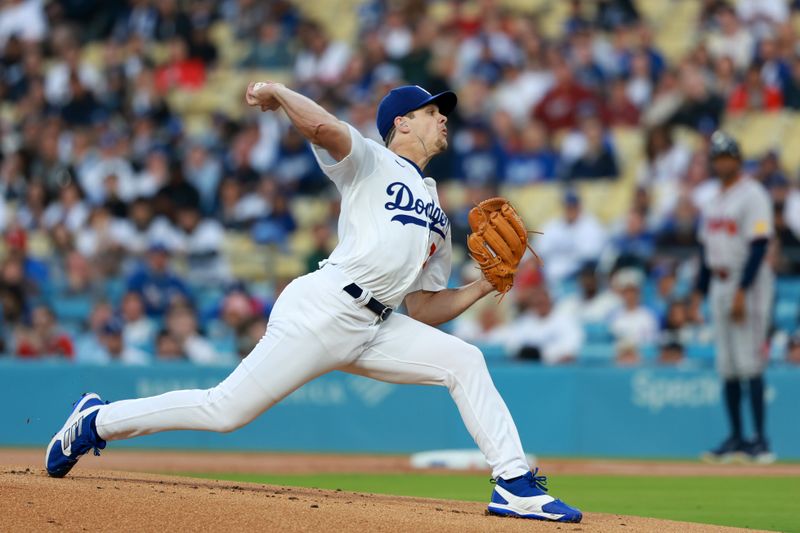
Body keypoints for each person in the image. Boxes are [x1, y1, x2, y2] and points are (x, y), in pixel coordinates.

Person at [45, 83, 582, 523]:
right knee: (225, 410)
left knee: (465, 360)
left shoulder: (437, 208)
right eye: (431, 110)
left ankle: (513, 483)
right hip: (325, 307)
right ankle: (97, 421)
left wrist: (484, 287)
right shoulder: (369, 161)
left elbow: (424, 308)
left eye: (442, 111)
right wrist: (278, 92)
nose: (442, 117)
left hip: (379, 323)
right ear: (402, 122)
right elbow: (323, 128)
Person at [694, 132, 775, 464]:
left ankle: (759, 440)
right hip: (719, 280)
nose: (721, 161)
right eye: (717, 156)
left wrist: (742, 288)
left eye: (727, 155)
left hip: (748, 282)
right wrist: (697, 293)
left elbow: (759, 245)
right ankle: (737, 438)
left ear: (738, 159)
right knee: (727, 364)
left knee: (749, 362)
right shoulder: (713, 199)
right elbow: (704, 249)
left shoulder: (753, 193)